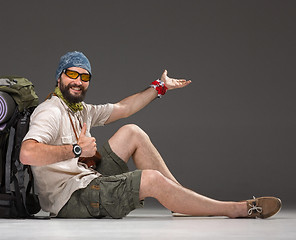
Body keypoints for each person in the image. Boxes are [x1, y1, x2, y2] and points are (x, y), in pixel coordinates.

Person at [20, 51, 281, 219]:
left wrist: (160, 87)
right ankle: (235, 209)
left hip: (85, 179)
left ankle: (181, 199)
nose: (78, 81)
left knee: (132, 131)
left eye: (84, 76)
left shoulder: (80, 110)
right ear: (59, 79)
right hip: (68, 200)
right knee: (153, 180)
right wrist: (76, 150)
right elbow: (27, 153)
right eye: (72, 74)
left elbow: (124, 108)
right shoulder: (49, 111)